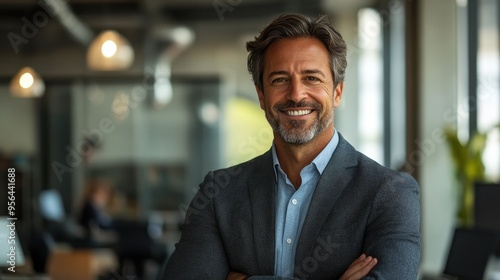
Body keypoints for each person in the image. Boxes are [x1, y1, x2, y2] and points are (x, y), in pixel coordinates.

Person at [164, 13, 420, 279]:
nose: (296, 95)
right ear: (261, 96)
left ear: (337, 93)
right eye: (279, 80)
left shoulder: (390, 192)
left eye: (311, 78)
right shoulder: (219, 193)